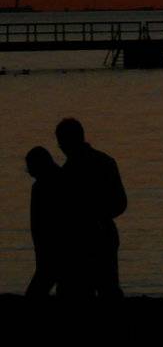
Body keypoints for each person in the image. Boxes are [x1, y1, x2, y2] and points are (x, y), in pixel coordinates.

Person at [56, 118, 126, 298]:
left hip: (79, 239)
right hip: (104, 235)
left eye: (61, 142)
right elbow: (120, 203)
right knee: (108, 288)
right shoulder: (106, 162)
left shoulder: (68, 171)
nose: (60, 147)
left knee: (79, 292)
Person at [24, 147, 72, 297]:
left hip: (52, 251)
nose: (29, 171)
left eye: (30, 166)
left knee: (36, 293)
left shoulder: (41, 187)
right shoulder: (64, 178)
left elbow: (40, 224)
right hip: (63, 250)